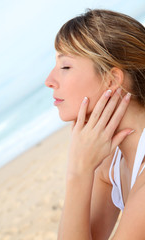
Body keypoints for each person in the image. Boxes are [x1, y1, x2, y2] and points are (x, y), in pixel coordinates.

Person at [45, 9, 145, 240]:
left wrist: (78, 173)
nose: (49, 81)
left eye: (65, 67)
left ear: (112, 80)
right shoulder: (113, 162)